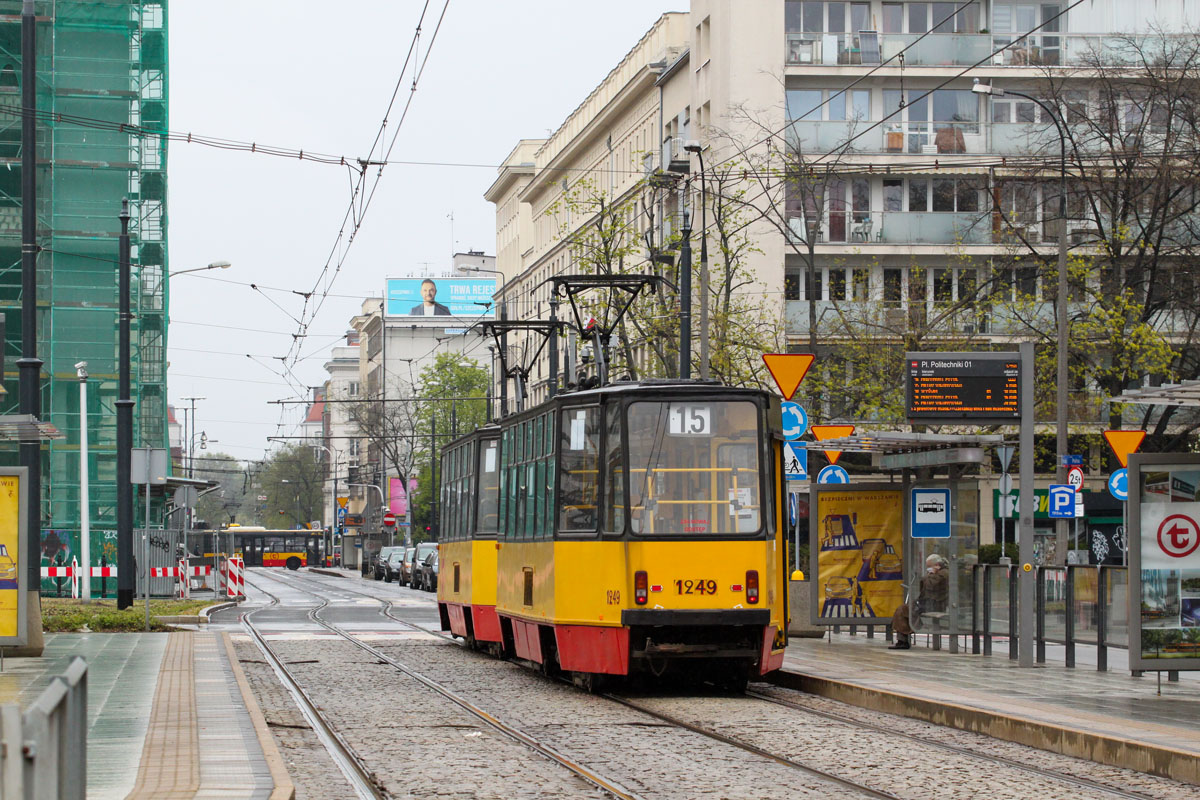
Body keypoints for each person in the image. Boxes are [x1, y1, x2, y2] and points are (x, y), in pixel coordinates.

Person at [889, 553, 949, 650]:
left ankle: (904, 639)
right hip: (927, 604)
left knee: (902, 610)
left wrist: (930, 575)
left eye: (929, 566)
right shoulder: (935, 574)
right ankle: (902, 638)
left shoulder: (944, 573)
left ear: (937, 565)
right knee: (902, 609)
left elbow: (930, 584)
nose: (928, 569)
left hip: (935, 605)